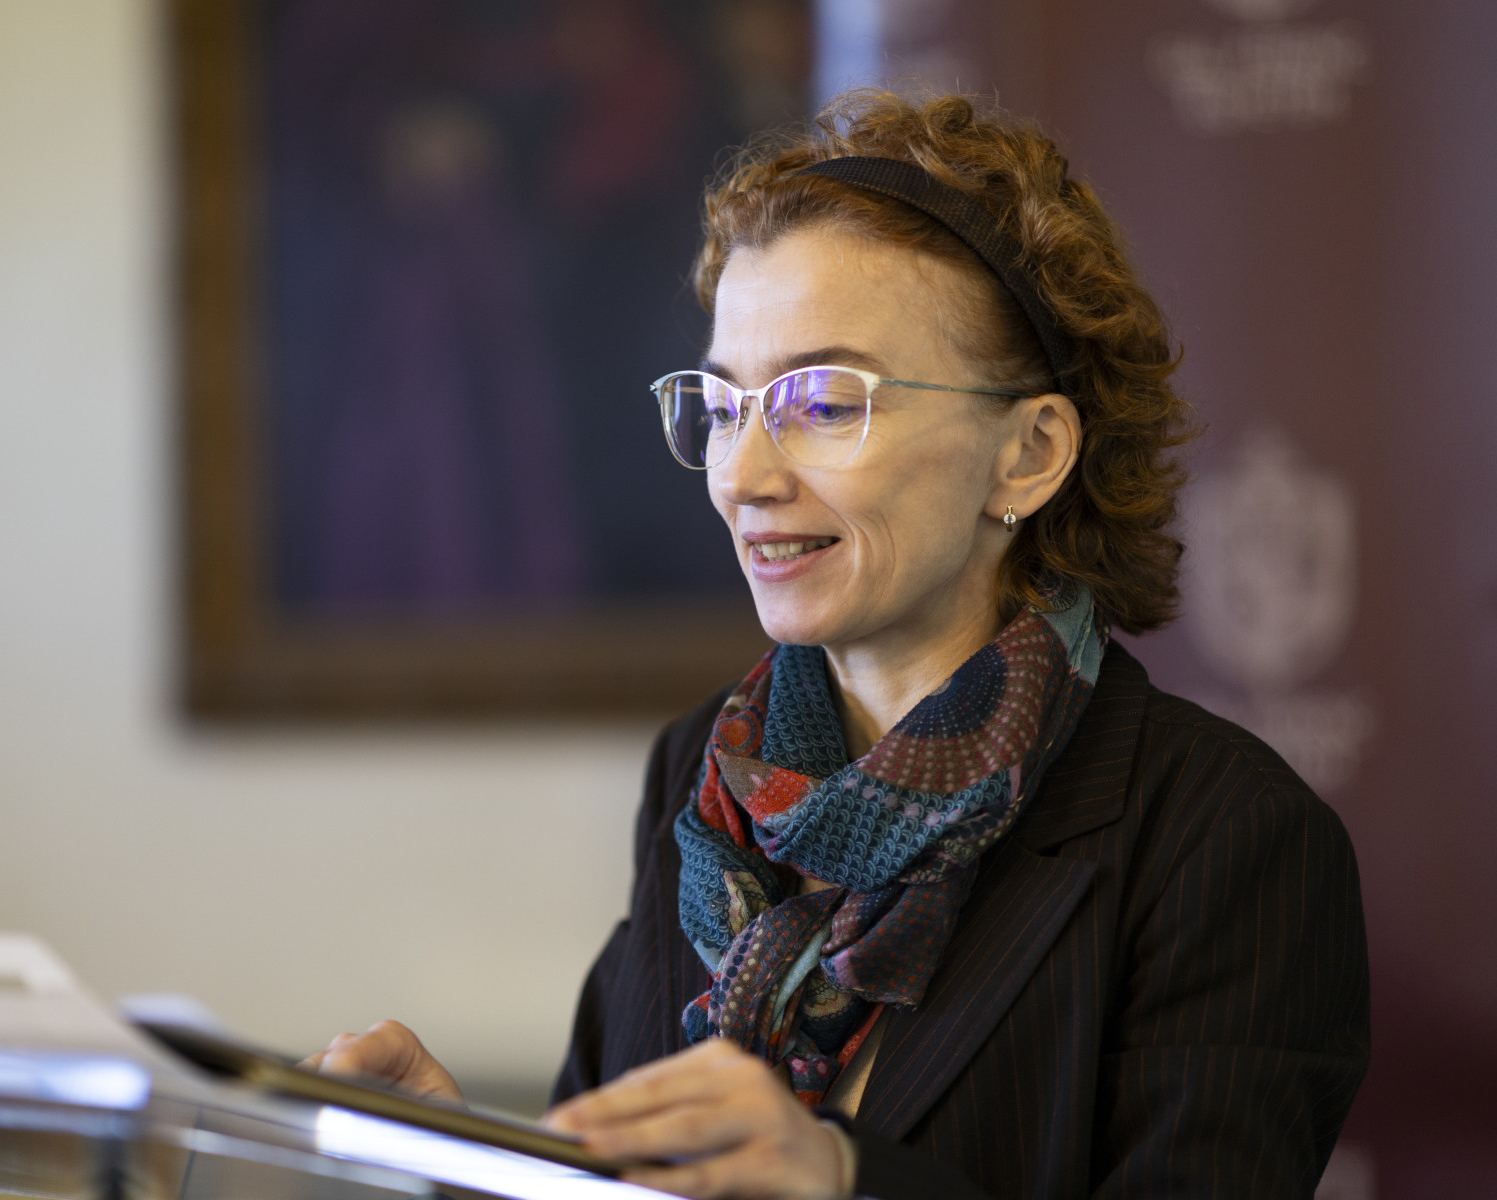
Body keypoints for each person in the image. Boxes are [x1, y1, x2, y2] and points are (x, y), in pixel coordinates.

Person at [304, 91, 1370, 1199]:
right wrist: (465, 1160)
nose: (745, 477)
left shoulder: (1224, 837)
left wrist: (836, 1180)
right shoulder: (702, 781)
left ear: (1029, 454)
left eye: (820, 402)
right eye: (725, 406)